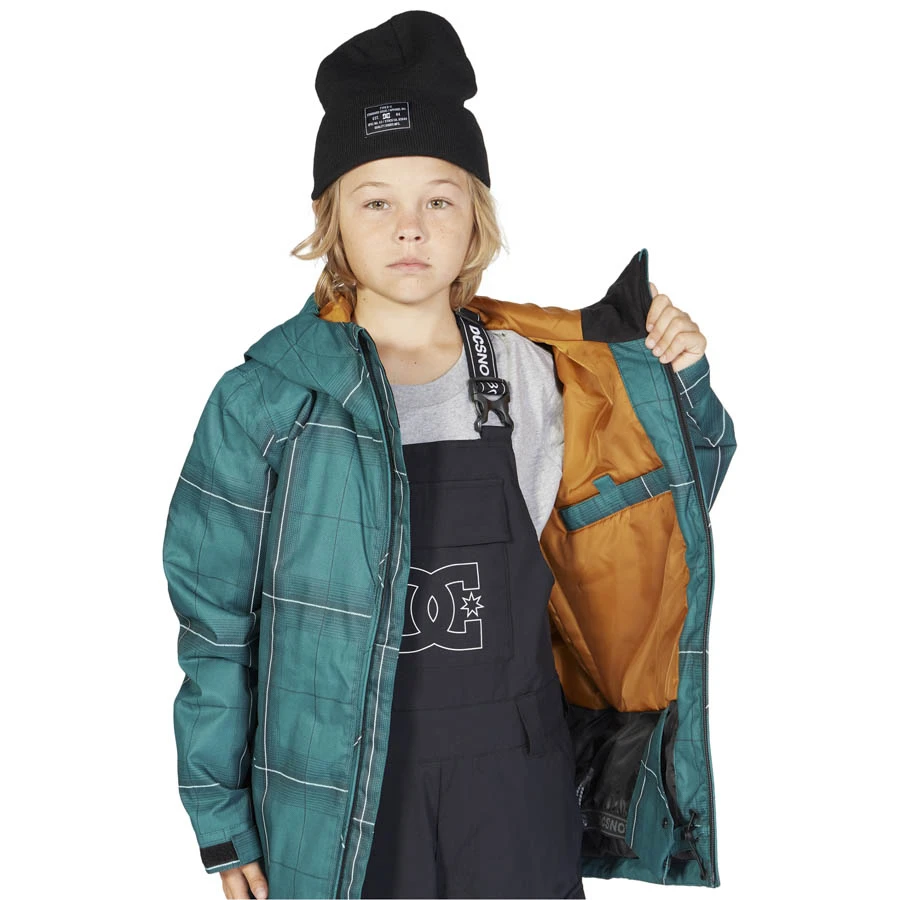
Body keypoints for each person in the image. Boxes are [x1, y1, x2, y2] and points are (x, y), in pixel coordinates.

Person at [162, 10, 737, 900]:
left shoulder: (536, 375)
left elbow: (663, 516)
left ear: (476, 219)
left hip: (515, 797)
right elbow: (215, 629)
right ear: (330, 220)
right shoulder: (267, 400)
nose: (410, 228)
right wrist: (221, 820)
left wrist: (682, 381)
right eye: (376, 201)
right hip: (335, 809)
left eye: (439, 199)